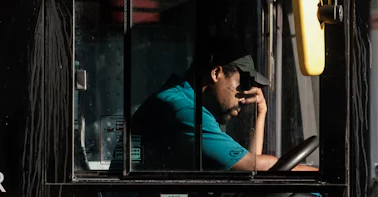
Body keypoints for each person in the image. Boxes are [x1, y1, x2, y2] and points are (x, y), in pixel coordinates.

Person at [131, 38, 317, 172]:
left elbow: (250, 171)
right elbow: (253, 166)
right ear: (216, 73)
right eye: (240, 85)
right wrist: (321, 176)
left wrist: (261, 113)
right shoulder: (185, 111)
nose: (243, 96)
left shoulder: (184, 100)